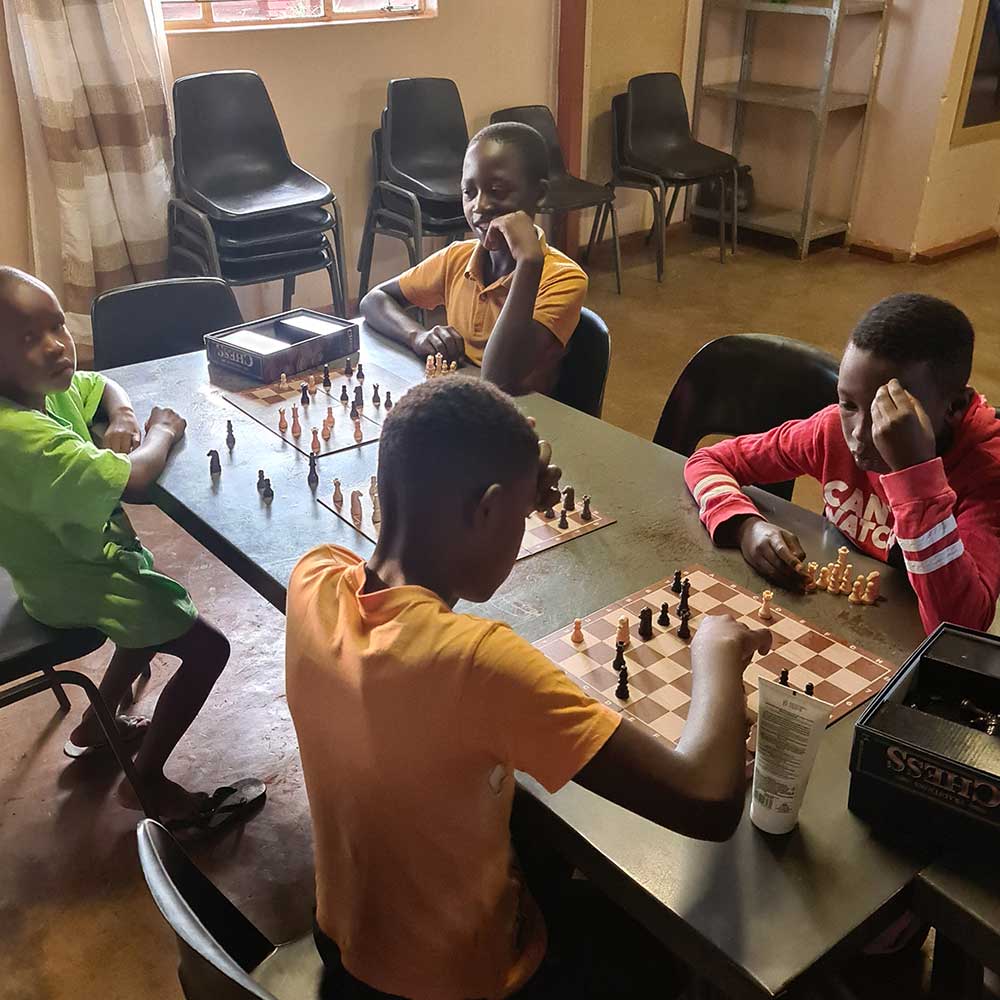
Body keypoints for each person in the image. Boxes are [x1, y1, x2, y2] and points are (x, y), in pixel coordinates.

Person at [286, 377, 771, 1000]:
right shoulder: (480, 665)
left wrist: (511, 492)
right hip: (457, 984)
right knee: (665, 951)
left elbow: (419, 585)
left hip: (342, 944)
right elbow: (706, 800)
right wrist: (716, 653)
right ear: (487, 509)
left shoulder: (313, 578)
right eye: (518, 517)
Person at [0, 267, 263, 828]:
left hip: (59, 565)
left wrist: (120, 413)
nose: (56, 346)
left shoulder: (40, 390)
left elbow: (100, 385)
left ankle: (98, 723)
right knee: (208, 649)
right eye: (29, 338)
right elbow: (138, 479)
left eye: (57, 326)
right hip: (74, 581)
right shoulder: (17, 436)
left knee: (149, 610)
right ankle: (145, 781)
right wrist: (161, 429)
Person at [684, 293, 1000, 635]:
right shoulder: (832, 430)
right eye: (848, 404)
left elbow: (959, 627)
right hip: (841, 621)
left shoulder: (987, 473)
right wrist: (744, 525)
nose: (861, 434)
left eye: (891, 413)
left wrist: (915, 475)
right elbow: (710, 460)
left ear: (954, 407)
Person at [359, 122, 588, 397]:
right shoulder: (457, 258)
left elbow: (499, 379)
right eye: (469, 192)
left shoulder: (564, 278)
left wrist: (528, 263)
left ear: (538, 194)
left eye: (497, 190)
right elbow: (374, 300)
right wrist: (417, 336)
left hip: (522, 413)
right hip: (465, 400)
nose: (479, 206)